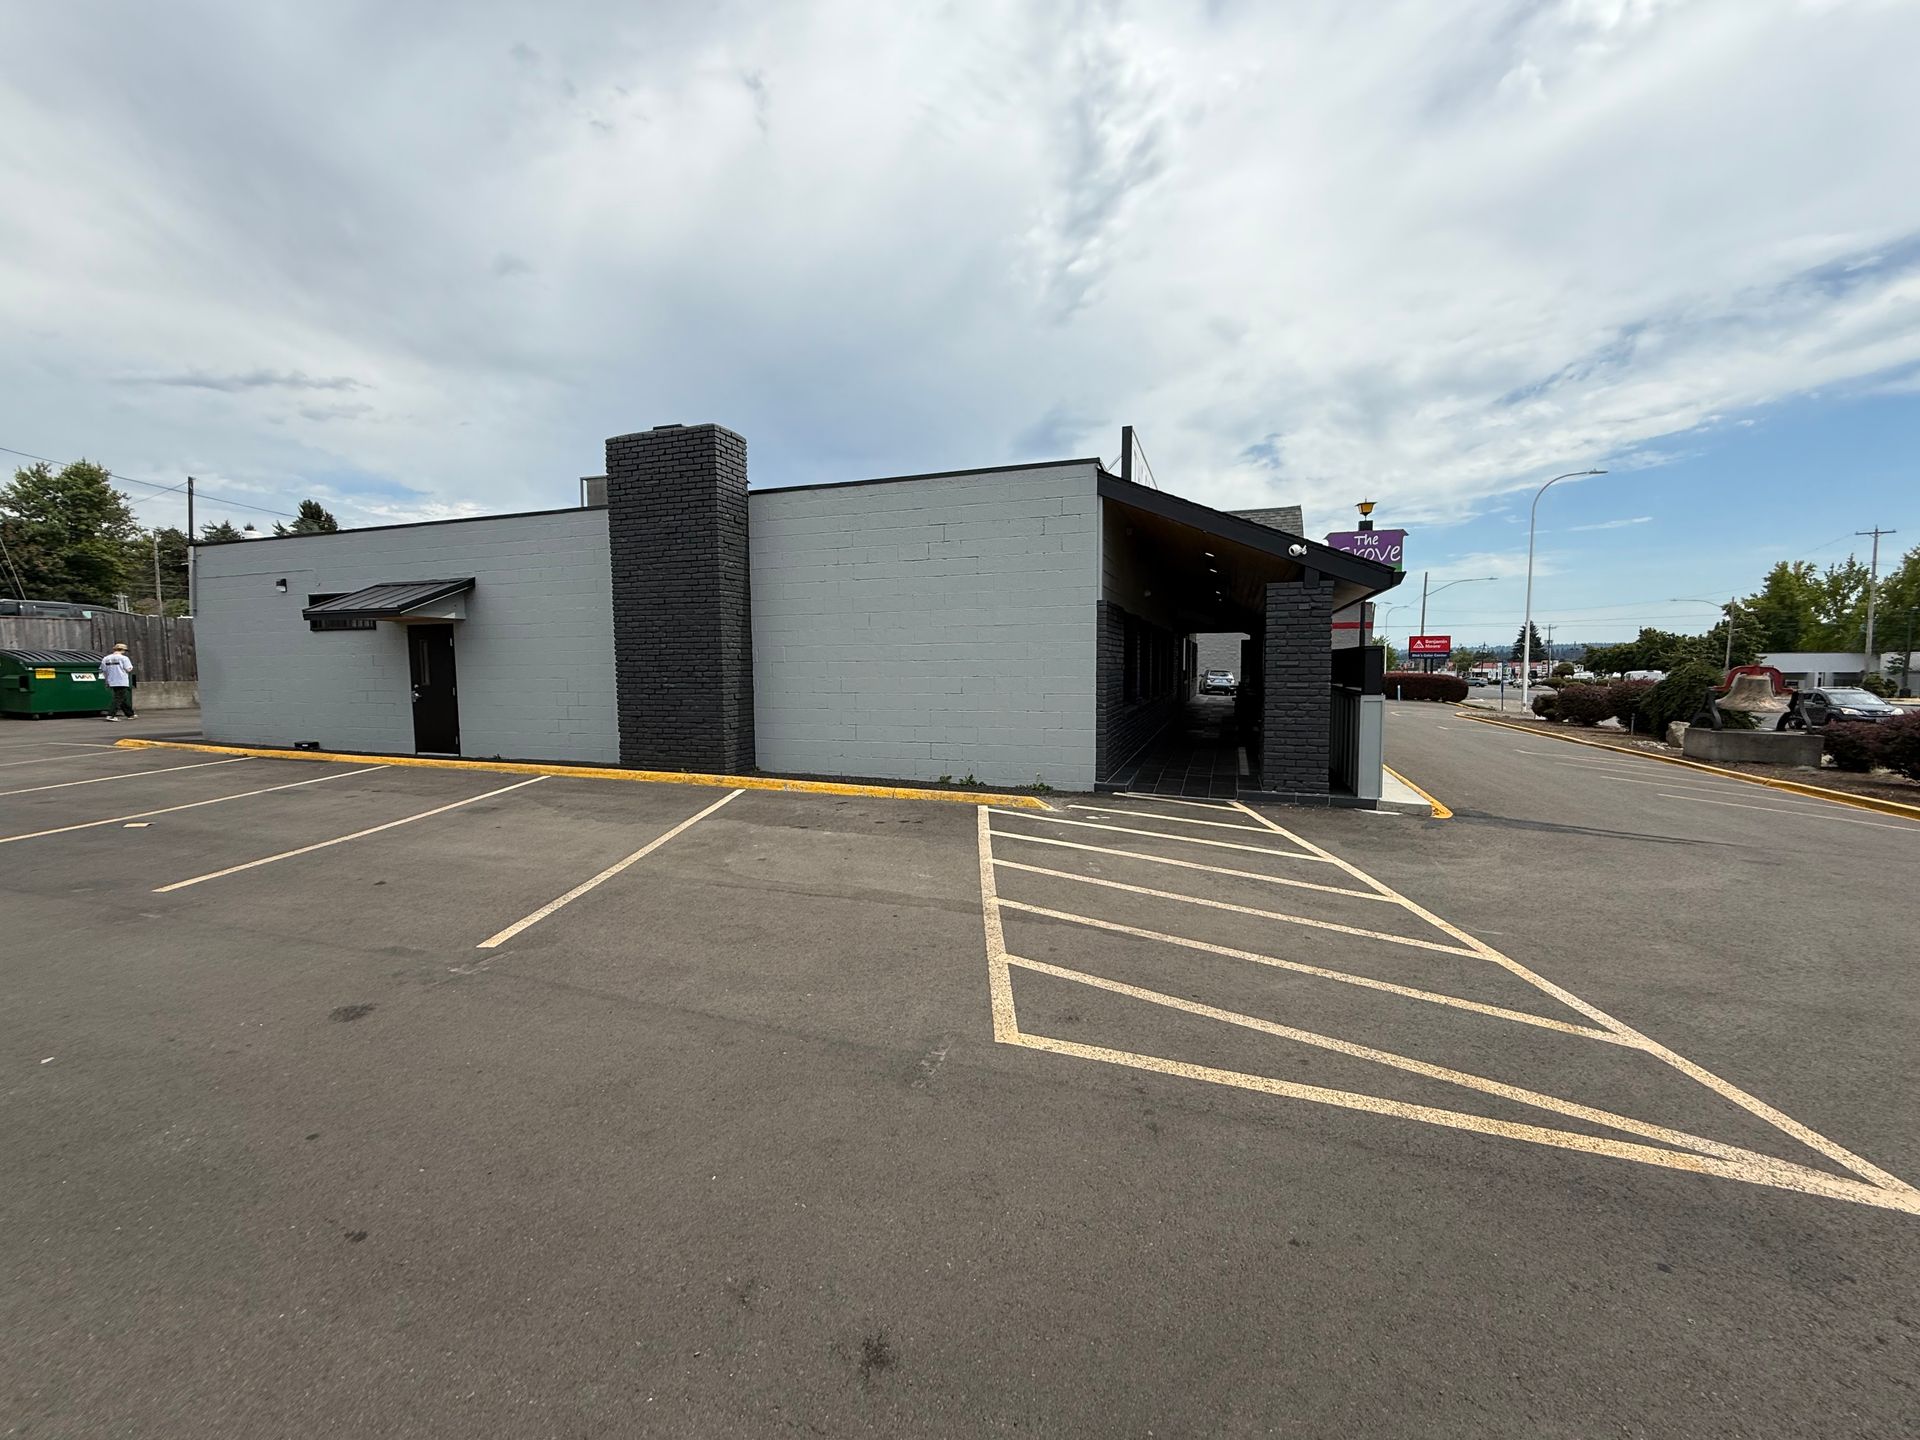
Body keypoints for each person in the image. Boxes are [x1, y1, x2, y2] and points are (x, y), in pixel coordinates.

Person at [99, 642, 136, 721]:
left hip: (111, 680)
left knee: (122, 697)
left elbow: (103, 670)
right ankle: (111, 715)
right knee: (118, 698)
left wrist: (106, 681)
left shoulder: (106, 658)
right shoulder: (124, 658)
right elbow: (128, 669)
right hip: (121, 680)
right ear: (123, 650)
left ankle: (130, 714)